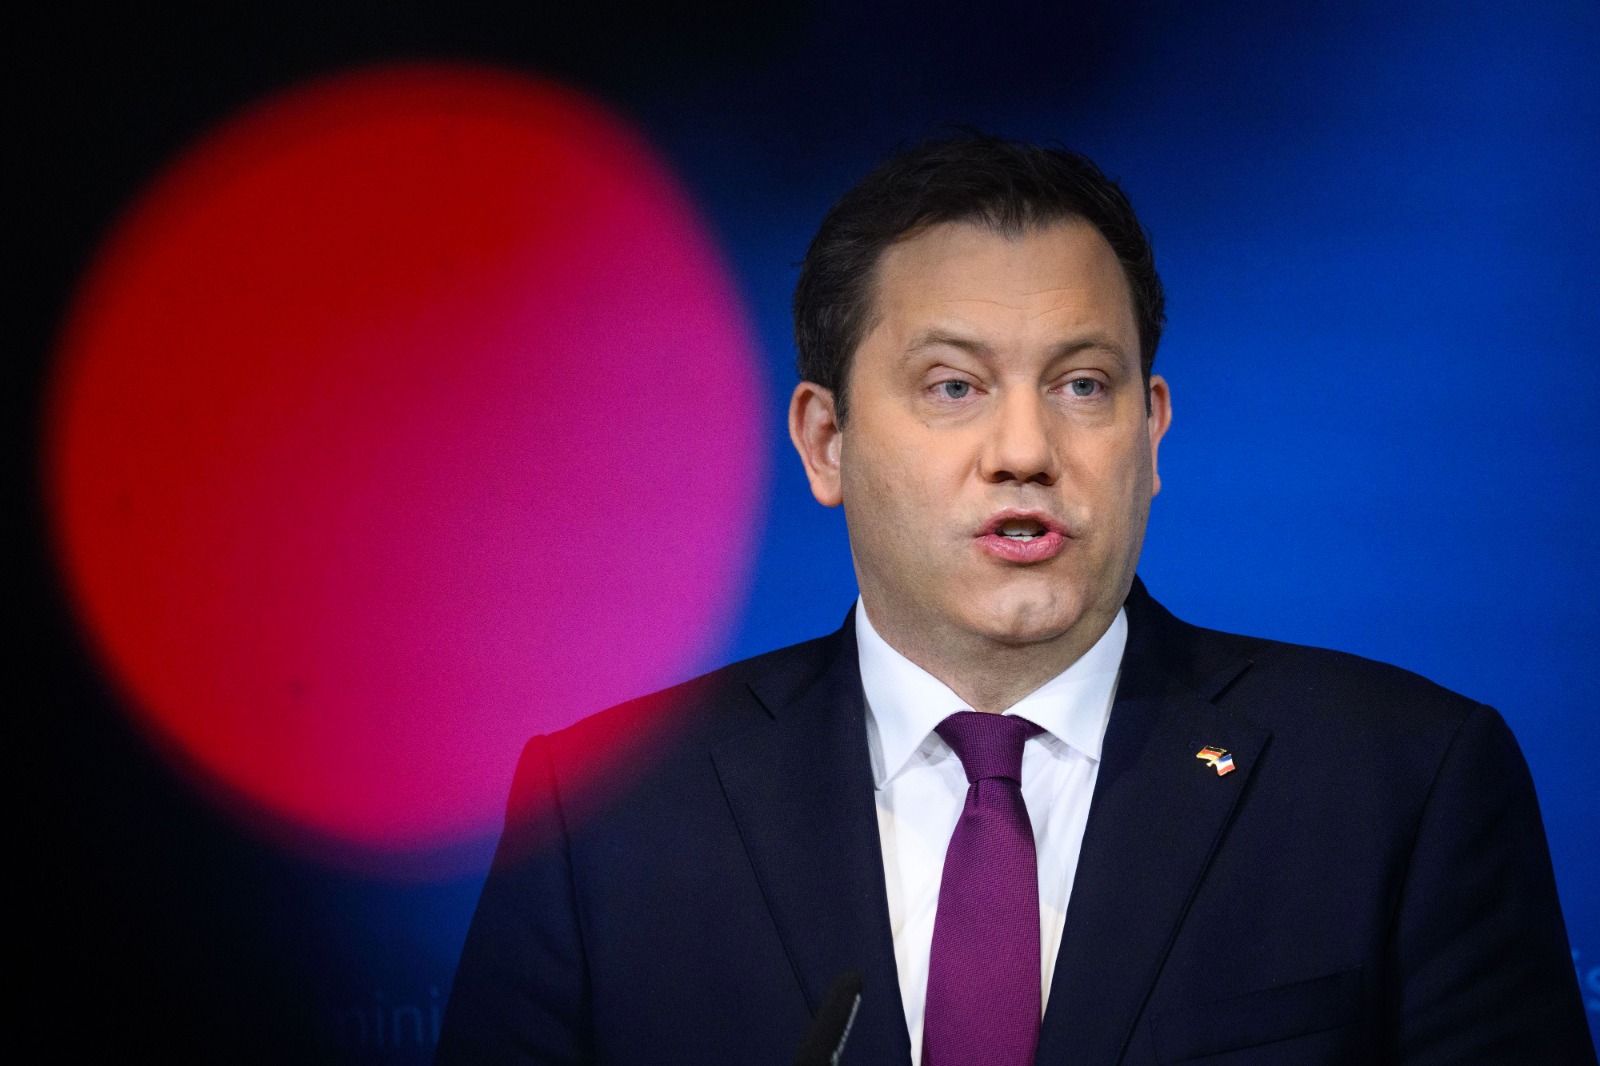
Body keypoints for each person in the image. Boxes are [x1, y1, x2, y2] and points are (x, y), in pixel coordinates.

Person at [436, 135, 1594, 1065]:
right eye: (953, 386)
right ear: (826, 440)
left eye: (1082, 385)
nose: (1026, 450)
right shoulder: (606, 819)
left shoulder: (1402, 783)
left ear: (1151, 432)